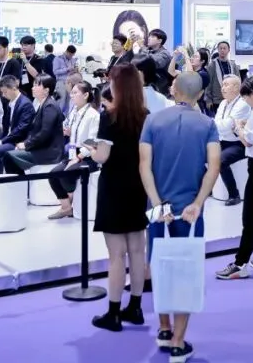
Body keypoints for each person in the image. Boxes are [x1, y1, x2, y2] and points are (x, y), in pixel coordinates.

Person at [138, 71, 222, 362]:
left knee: (159, 266)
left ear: (174, 91)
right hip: (190, 212)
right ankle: (178, 341)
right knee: (186, 272)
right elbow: (214, 167)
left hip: (158, 211)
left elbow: (144, 165)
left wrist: (156, 203)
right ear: (200, 95)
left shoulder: (153, 121)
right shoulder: (207, 124)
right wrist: (198, 202)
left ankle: (164, 329)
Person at [90, 64, 150, 333]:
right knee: (137, 250)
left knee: (116, 254)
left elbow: (103, 156)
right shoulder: (145, 116)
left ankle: (113, 313)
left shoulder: (109, 116)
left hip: (113, 186)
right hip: (138, 185)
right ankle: (135, 307)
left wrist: (90, 151)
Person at [217, 75, 253, 279]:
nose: (246, 102)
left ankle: (240, 263)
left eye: (246, 97)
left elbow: (248, 140)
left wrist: (239, 127)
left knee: (249, 217)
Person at [48, 80, 102, 220]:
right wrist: (67, 131)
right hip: (73, 153)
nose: (71, 96)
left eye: (75, 93)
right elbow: (68, 128)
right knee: (53, 174)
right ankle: (66, 207)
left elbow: (93, 141)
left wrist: (79, 157)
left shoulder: (93, 115)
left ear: (85, 95)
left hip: (88, 157)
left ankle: (72, 197)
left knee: (67, 174)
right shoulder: (74, 112)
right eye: (71, 93)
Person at [2, 74, 66, 174]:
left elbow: (44, 133)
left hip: (50, 152)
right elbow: (35, 132)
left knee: (9, 156)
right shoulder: (43, 104)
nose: (33, 88)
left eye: (36, 85)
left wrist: (26, 144)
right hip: (42, 148)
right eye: (33, 85)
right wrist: (25, 143)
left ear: (46, 90)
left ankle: (20, 182)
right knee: (10, 154)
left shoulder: (50, 106)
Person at [0, 76, 36, 174]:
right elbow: (6, 128)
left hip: (19, 141)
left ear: (14, 88)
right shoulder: (10, 103)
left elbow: (21, 129)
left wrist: (1, 141)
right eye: (2, 92)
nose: (3, 95)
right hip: (10, 138)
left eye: (5, 92)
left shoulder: (25, 104)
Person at [214, 73, 251, 205]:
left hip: (239, 144)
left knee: (220, 161)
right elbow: (219, 125)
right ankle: (208, 188)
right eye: (222, 85)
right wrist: (221, 125)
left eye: (226, 85)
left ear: (236, 87)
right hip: (223, 141)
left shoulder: (243, 104)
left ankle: (234, 194)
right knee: (201, 152)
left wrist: (220, 125)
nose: (222, 88)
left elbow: (226, 126)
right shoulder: (223, 103)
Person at [205, 41, 238, 112]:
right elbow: (208, 84)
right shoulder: (212, 65)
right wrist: (208, 100)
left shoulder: (233, 65)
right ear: (218, 50)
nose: (222, 50)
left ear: (228, 50)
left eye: (224, 48)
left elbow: (238, 82)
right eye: (220, 48)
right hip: (217, 101)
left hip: (231, 100)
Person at [143, 29, 173, 96]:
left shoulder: (165, 54)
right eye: (149, 36)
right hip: (146, 88)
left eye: (152, 36)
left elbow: (153, 63)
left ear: (159, 41)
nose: (149, 38)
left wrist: (142, 49)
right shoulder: (148, 51)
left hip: (159, 91)